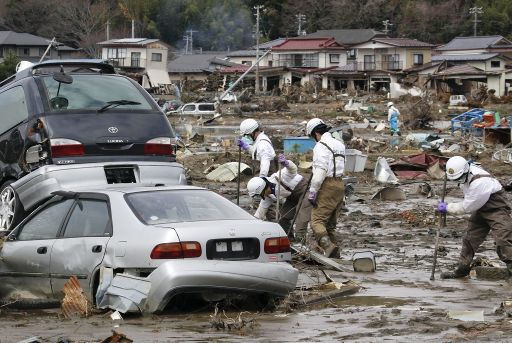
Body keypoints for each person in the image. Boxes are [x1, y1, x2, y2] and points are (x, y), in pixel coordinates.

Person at [437, 156, 512, 279]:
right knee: (470, 237)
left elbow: (467, 207)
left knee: (503, 236)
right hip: (480, 206)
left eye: (460, 178)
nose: (459, 181)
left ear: (466, 171)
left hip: (496, 206)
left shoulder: (479, 183)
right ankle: (463, 268)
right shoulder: (463, 173)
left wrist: (448, 207)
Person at [246, 154, 312, 241]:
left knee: (301, 219)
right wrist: (250, 227)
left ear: (263, 188)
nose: (262, 196)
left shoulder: (280, 176)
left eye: (260, 193)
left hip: (305, 191)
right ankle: (290, 240)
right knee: (283, 218)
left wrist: (286, 163)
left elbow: (293, 169)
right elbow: (260, 213)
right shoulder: (267, 196)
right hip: (292, 198)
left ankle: (300, 242)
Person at [306, 118, 346, 258]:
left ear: (316, 133)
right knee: (330, 225)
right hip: (340, 184)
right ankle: (335, 254)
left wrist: (313, 191)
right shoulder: (339, 144)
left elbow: (321, 170)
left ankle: (328, 247)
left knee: (317, 221)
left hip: (327, 184)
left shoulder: (321, 146)